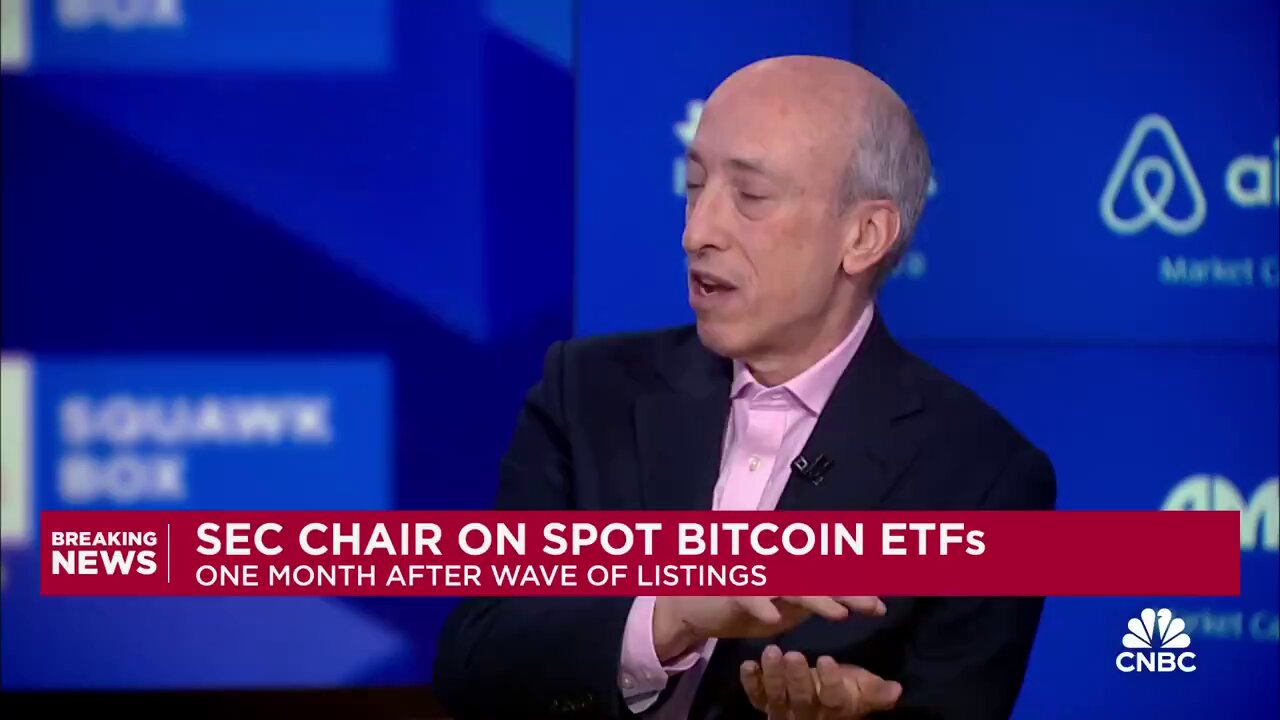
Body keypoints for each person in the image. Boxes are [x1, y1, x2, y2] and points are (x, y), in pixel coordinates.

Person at [434, 55, 1056, 719]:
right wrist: (669, 617)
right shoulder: (586, 391)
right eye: (694, 186)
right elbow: (475, 664)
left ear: (863, 235)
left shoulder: (983, 480)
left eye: (751, 197)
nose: (696, 232)